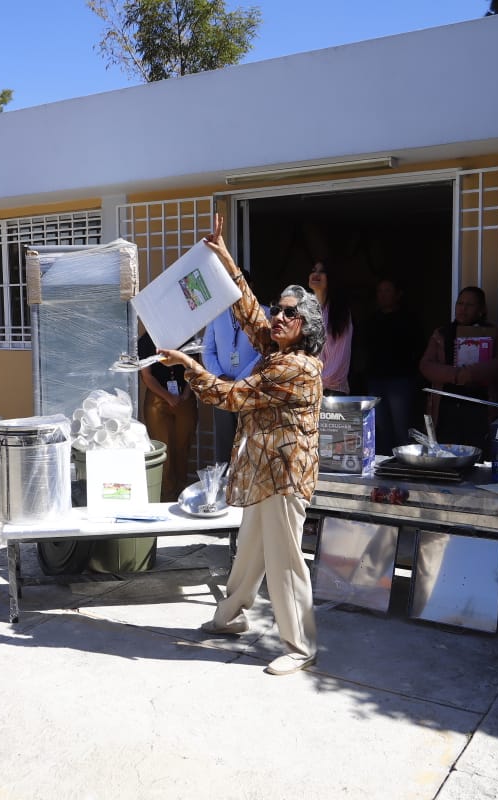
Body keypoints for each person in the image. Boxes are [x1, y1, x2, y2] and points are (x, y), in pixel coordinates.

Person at [159, 214, 324, 677]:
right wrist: (226, 260)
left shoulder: (295, 368)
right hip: (261, 471)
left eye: (291, 313)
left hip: (285, 476)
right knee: (250, 548)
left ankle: (300, 644)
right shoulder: (276, 350)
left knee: (285, 560)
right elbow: (249, 311)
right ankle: (229, 616)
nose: (279, 316)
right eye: (280, 309)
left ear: (306, 325)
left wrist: (188, 364)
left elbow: (229, 396)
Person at [419, 286, 498, 453]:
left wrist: (472, 373)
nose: (463, 308)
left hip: (480, 408)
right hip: (447, 407)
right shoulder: (441, 334)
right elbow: (426, 365)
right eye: (460, 303)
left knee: (478, 455)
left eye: (470, 305)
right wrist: (455, 375)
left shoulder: (495, 333)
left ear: (482, 310)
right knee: (448, 454)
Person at [202, 284, 262, 465]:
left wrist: (240, 380)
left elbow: (266, 352)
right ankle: (223, 489)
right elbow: (207, 350)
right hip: (223, 390)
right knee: (224, 445)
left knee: (250, 445)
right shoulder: (216, 315)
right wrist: (220, 376)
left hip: (250, 390)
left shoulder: (263, 313)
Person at [364, 277, 425, 454]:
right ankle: (384, 464)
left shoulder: (409, 320)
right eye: (380, 291)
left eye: (387, 291)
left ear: (398, 294)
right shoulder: (372, 321)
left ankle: (405, 464)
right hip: (376, 379)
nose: (383, 295)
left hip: (401, 380)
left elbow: (419, 348)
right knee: (379, 426)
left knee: (402, 425)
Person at [137, 330, 198, 501]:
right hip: (158, 396)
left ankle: (181, 491)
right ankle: (165, 494)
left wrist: (186, 394)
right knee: (162, 447)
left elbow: (195, 368)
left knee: (183, 444)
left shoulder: (187, 337)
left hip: (184, 394)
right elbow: (147, 376)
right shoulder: (145, 341)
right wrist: (168, 396)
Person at [308, 260, 354, 396]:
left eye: (322, 271)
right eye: (313, 270)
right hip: (308, 390)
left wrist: (312, 381)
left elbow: (340, 359)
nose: (316, 274)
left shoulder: (340, 313)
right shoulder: (306, 310)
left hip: (332, 392)